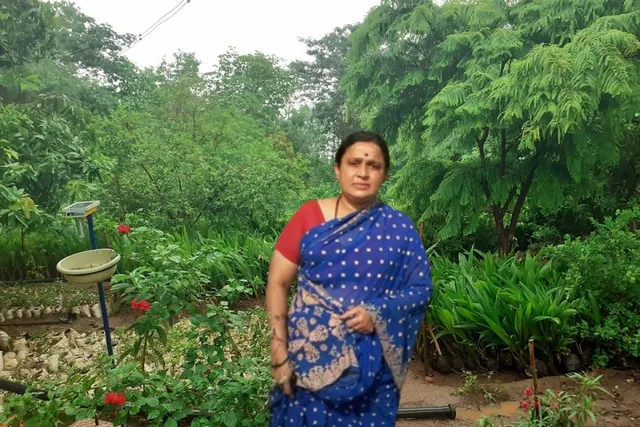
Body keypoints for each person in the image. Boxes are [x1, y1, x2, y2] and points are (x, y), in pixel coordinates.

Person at [266, 131, 433, 426]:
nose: (363, 173)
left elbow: (420, 289)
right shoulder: (309, 216)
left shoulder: (399, 229)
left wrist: (377, 312)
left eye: (374, 166)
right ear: (338, 169)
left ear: (385, 174)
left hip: (372, 370)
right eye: (354, 163)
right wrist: (279, 354)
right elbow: (278, 283)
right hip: (307, 362)